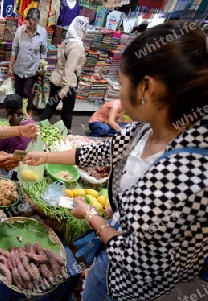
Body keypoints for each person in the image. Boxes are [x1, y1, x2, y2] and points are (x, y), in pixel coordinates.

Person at [24, 21, 208, 301]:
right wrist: (44, 156)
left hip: (130, 285)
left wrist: (90, 215)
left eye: (121, 84)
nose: (118, 95)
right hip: (115, 246)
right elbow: (98, 153)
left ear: (147, 88)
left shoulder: (184, 175)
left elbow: (136, 259)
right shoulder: (148, 127)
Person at [40, 16, 89, 130]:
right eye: (85, 29)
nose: (86, 32)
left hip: (56, 79)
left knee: (51, 105)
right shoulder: (76, 46)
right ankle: (65, 133)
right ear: (80, 29)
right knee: (67, 111)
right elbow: (69, 68)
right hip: (68, 83)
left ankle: (40, 129)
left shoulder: (67, 41)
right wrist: (66, 87)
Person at [8, 8, 47, 115]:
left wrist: (42, 66)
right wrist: (10, 66)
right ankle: (18, 113)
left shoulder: (42, 33)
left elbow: (44, 51)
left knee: (27, 93)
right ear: (26, 20)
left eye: (35, 24)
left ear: (38, 21)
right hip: (19, 68)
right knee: (18, 93)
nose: (32, 26)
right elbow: (14, 49)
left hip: (32, 70)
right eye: (30, 23)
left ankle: (28, 114)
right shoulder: (20, 31)